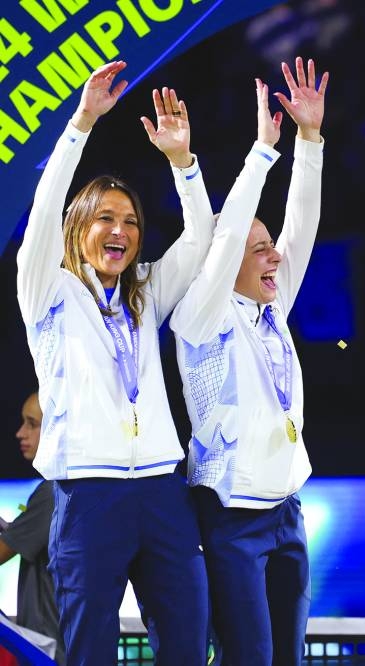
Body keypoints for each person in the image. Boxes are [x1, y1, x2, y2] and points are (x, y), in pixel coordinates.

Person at [15, 61, 211, 664]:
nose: (120, 230)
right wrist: (81, 124)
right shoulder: (46, 289)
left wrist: (183, 162)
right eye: (106, 218)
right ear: (79, 227)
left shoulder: (144, 292)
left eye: (130, 222)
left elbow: (201, 240)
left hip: (161, 490)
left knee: (188, 642)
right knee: (89, 652)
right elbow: (43, 213)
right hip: (88, 493)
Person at [170, 57, 327, 665]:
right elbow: (230, 233)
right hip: (231, 518)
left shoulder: (271, 306)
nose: (274, 257)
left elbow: (303, 227)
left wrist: (309, 140)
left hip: (287, 511)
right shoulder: (200, 316)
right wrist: (262, 153)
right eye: (259, 249)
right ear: (225, 260)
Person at [0, 393, 63, 664]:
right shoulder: (67, 488)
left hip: (49, 654)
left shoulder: (52, 491)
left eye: (32, 424)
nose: (20, 433)